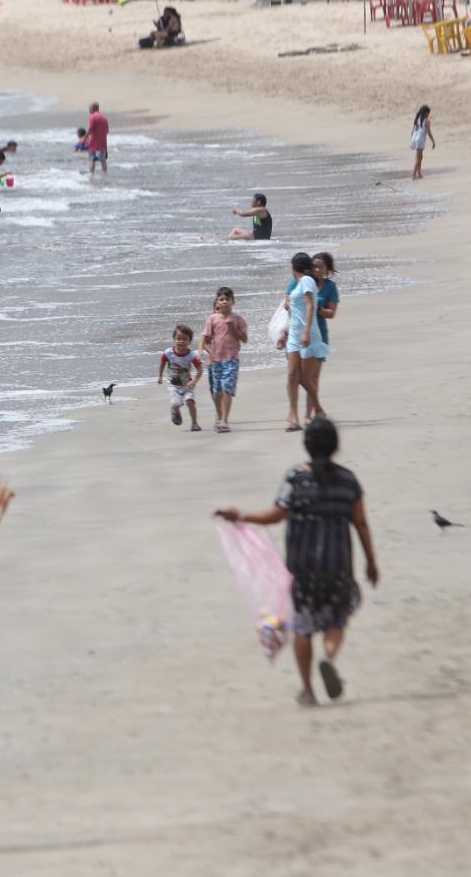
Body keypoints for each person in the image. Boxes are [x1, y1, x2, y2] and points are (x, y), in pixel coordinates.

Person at [215, 417, 378, 707]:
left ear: (306, 445)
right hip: (337, 563)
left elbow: (276, 515)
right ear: (336, 445)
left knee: (303, 625)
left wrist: (239, 515)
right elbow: (361, 523)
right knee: (336, 617)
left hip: (302, 565)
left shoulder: (296, 478)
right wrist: (371, 562)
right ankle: (329, 658)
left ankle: (308, 690)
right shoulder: (348, 480)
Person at [280, 251, 328, 431]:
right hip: (294, 335)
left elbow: (310, 305)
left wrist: (306, 331)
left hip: (308, 334)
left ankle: (319, 409)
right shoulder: (298, 283)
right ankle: (293, 416)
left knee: (304, 378)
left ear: (293, 268)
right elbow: (293, 305)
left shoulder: (307, 280)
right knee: (293, 374)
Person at [201, 288, 248, 433]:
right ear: (217, 303)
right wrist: (211, 352)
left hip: (232, 359)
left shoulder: (238, 319)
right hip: (217, 360)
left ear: (233, 302)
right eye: (221, 299)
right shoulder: (212, 319)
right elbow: (206, 340)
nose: (224, 302)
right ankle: (220, 415)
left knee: (227, 388)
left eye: (227, 299)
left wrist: (232, 327)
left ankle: (224, 420)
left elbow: (245, 339)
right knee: (217, 391)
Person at [307, 253, 339, 420]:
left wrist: (317, 309)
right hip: (303, 335)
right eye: (314, 267)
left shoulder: (330, 287)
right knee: (303, 377)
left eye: (321, 267)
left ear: (327, 269)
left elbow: (331, 313)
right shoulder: (305, 283)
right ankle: (315, 411)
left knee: (313, 378)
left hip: (320, 335)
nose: (317, 270)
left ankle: (310, 414)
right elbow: (288, 300)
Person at [157, 325, 204, 429]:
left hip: (187, 384)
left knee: (190, 402)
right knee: (177, 403)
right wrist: (160, 376)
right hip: (173, 385)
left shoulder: (191, 355)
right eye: (178, 339)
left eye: (185, 339)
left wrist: (194, 381)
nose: (181, 341)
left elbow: (200, 370)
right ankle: (175, 410)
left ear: (190, 341)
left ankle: (194, 423)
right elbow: (162, 363)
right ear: (174, 339)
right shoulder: (168, 353)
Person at [410, 104, 435, 180]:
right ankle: (414, 175)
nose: (429, 114)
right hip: (420, 140)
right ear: (426, 113)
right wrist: (433, 141)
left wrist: (412, 142)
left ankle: (419, 173)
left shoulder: (417, 119)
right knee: (418, 158)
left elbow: (412, 132)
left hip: (415, 138)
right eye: (428, 113)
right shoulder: (426, 121)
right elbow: (429, 133)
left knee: (420, 157)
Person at [84, 102, 109, 175]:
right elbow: (107, 130)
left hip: (93, 143)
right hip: (103, 143)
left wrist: (85, 138)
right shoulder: (104, 117)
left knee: (92, 160)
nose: (89, 111)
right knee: (103, 160)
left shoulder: (92, 117)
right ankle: (105, 175)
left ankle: (91, 176)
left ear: (93, 108)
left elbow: (91, 129)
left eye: (90, 109)